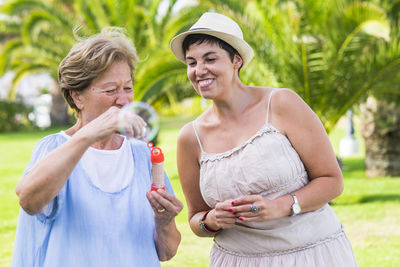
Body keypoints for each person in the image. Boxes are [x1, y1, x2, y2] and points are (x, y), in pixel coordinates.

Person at [171, 12, 357, 266]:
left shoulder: (281, 104)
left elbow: (332, 181)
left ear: (236, 60)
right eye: (191, 63)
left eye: (210, 59)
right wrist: (212, 221)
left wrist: (283, 205)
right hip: (239, 260)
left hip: (311, 255)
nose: (199, 70)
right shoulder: (190, 138)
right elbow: (195, 219)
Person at [12, 27, 183, 267]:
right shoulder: (54, 148)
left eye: (128, 88)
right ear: (76, 97)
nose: (123, 100)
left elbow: (167, 252)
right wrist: (89, 133)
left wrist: (164, 222)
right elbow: (29, 201)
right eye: (111, 90)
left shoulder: (142, 154)